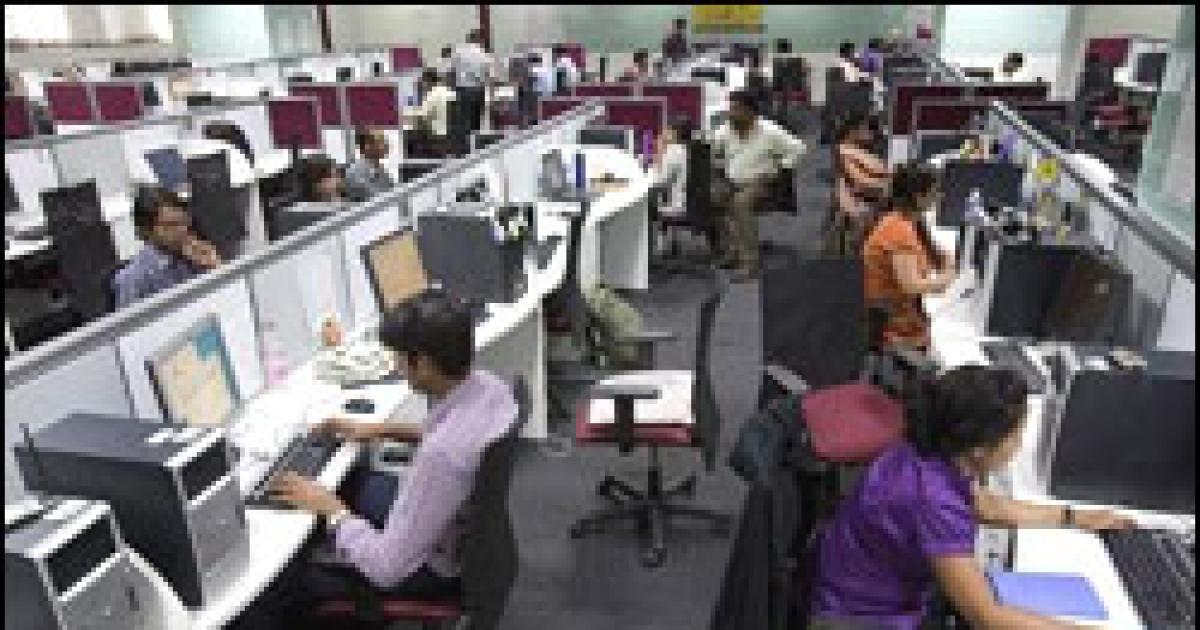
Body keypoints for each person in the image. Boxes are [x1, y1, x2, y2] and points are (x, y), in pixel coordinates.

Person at [232, 289, 519, 630]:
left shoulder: (440, 457)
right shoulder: (489, 386)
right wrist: (381, 430)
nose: (396, 366)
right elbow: (456, 435)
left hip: (428, 569)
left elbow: (387, 568)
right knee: (356, 482)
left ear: (423, 363)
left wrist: (332, 510)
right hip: (467, 539)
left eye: (399, 358)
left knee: (277, 586)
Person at [809, 365, 1133, 629]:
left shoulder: (927, 451)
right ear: (979, 449)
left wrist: (1072, 516)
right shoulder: (934, 501)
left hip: (849, 587)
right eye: (1016, 436)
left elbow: (984, 504)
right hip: (861, 619)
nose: (1019, 445)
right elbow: (987, 617)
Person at [712, 90, 807, 281]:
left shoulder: (770, 131)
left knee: (740, 204)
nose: (731, 114)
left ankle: (750, 263)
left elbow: (799, 149)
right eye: (731, 109)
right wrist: (718, 165)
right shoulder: (726, 130)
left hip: (761, 183)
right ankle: (734, 249)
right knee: (710, 198)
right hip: (732, 181)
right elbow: (713, 150)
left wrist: (780, 170)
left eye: (737, 109)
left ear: (751, 112)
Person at [861, 164, 954, 351]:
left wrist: (945, 260)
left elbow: (935, 255)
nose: (940, 196)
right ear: (919, 197)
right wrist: (946, 279)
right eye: (936, 192)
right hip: (892, 326)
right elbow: (911, 286)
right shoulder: (899, 231)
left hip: (895, 313)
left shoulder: (904, 220)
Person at [114, 187, 221, 309]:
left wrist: (213, 265)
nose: (183, 230)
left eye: (184, 222)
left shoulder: (193, 256)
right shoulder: (134, 278)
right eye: (172, 225)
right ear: (147, 231)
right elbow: (131, 321)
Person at [830, 112, 891, 256]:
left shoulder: (859, 150)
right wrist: (887, 185)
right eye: (867, 129)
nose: (872, 133)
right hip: (857, 210)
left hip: (865, 208)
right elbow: (860, 182)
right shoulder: (845, 151)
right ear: (853, 131)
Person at [451, 29, 492, 134]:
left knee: (463, 119)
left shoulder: (458, 52)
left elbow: (452, 71)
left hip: (463, 89)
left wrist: (453, 88)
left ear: (468, 39)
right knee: (477, 120)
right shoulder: (484, 54)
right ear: (479, 40)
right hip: (479, 89)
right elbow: (487, 74)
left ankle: (464, 141)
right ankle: (475, 140)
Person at [407, 69, 456, 157]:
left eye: (423, 82)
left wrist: (408, 113)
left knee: (408, 134)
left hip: (436, 135)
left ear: (428, 81)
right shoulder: (450, 92)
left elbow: (422, 115)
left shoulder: (432, 95)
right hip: (452, 134)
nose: (422, 85)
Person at [344, 128, 395, 202]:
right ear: (367, 146)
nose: (386, 145)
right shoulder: (353, 174)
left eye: (384, 141)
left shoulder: (384, 174)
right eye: (380, 141)